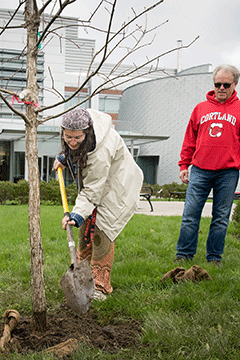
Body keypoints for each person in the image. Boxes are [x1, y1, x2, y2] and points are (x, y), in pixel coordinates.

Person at [54, 106, 143, 300]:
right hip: (100, 184)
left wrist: (76, 215)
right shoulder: (82, 134)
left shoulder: (100, 150)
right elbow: (78, 155)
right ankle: (84, 279)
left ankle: (101, 286)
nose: (72, 141)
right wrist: (65, 156)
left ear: (87, 133)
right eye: (68, 137)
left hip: (118, 187)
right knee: (84, 230)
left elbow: (93, 190)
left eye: (77, 138)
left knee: (102, 232)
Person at [175, 64, 240, 266]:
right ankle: (184, 255)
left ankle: (214, 258)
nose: (221, 88)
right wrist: (183, 165)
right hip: (200, 170)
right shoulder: (200, 109)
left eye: (226, 84)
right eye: (217, 84)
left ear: (235, 84)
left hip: (228, 173)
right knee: (190, 215)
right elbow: (189, 140)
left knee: (221, 217)